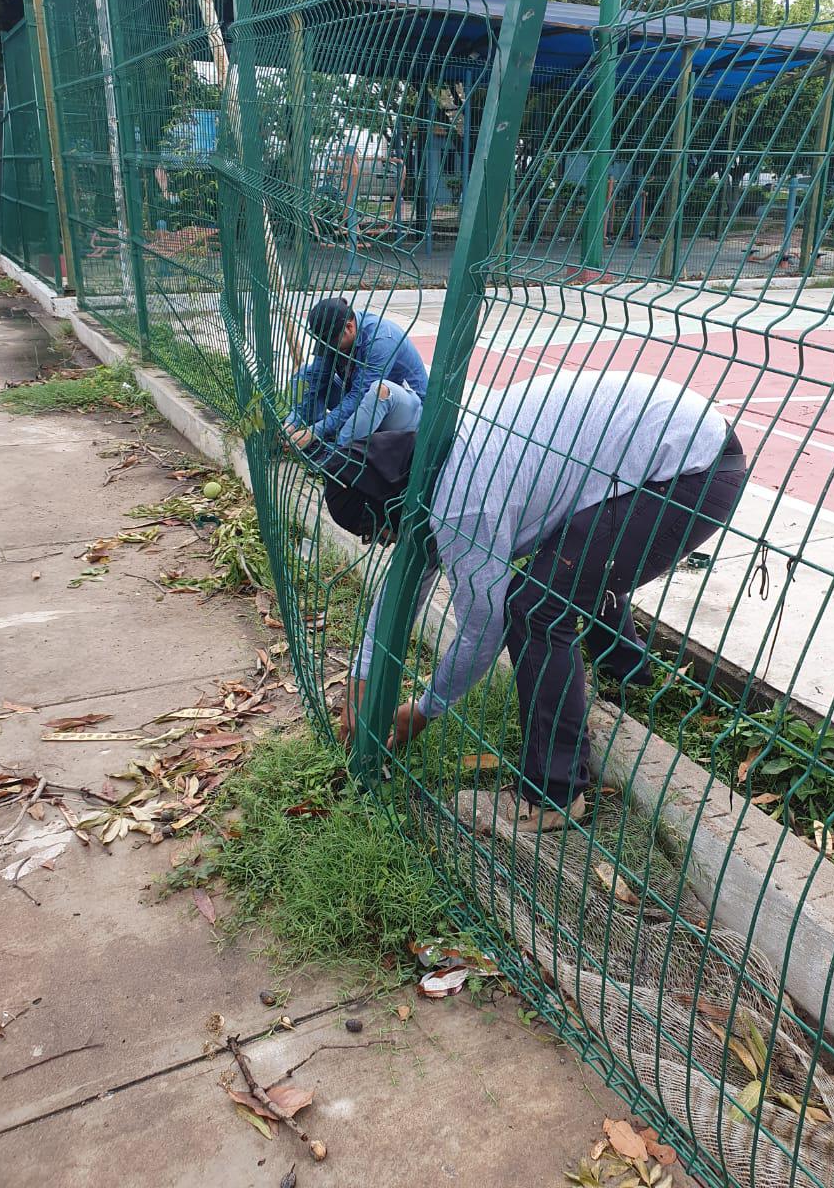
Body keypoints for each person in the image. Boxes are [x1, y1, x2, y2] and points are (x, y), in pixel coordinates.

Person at [327, 368, 746, 834]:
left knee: (537, 607)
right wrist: (361, 680)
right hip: (664, 445)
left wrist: (424, 711)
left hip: (691, 474)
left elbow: (482, 630)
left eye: (376, 533)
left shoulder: (461, 506)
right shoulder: (426, 457)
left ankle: (557, 793)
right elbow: (403, 590)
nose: (384, 543)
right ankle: (628, 675)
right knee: (577, 560)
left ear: (391, 508)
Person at [284, 296, 428, 451]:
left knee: (379, 389)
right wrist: (294, 421)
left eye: (331, 341)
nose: (327, 346)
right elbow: (317, 379)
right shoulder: (332, 335)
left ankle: (337, 453)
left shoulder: (381, 339)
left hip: (405, 414)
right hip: (365, 406)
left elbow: (359, 396)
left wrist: (316, 431)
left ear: (349, 327)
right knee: (306, 373)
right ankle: (312, 435)